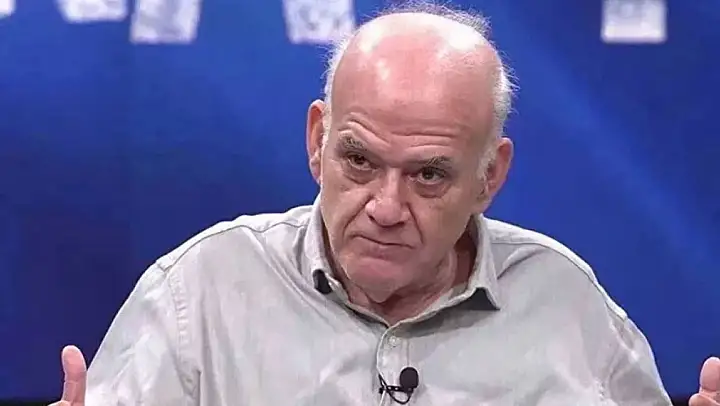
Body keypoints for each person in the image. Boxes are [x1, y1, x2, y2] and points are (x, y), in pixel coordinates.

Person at [50, 1, 719, 405]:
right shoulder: (197, 296)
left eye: (428, 175)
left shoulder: (568, 309)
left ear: (489, 177)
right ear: (317, 141)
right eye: (360, 161)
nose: (386, 207)